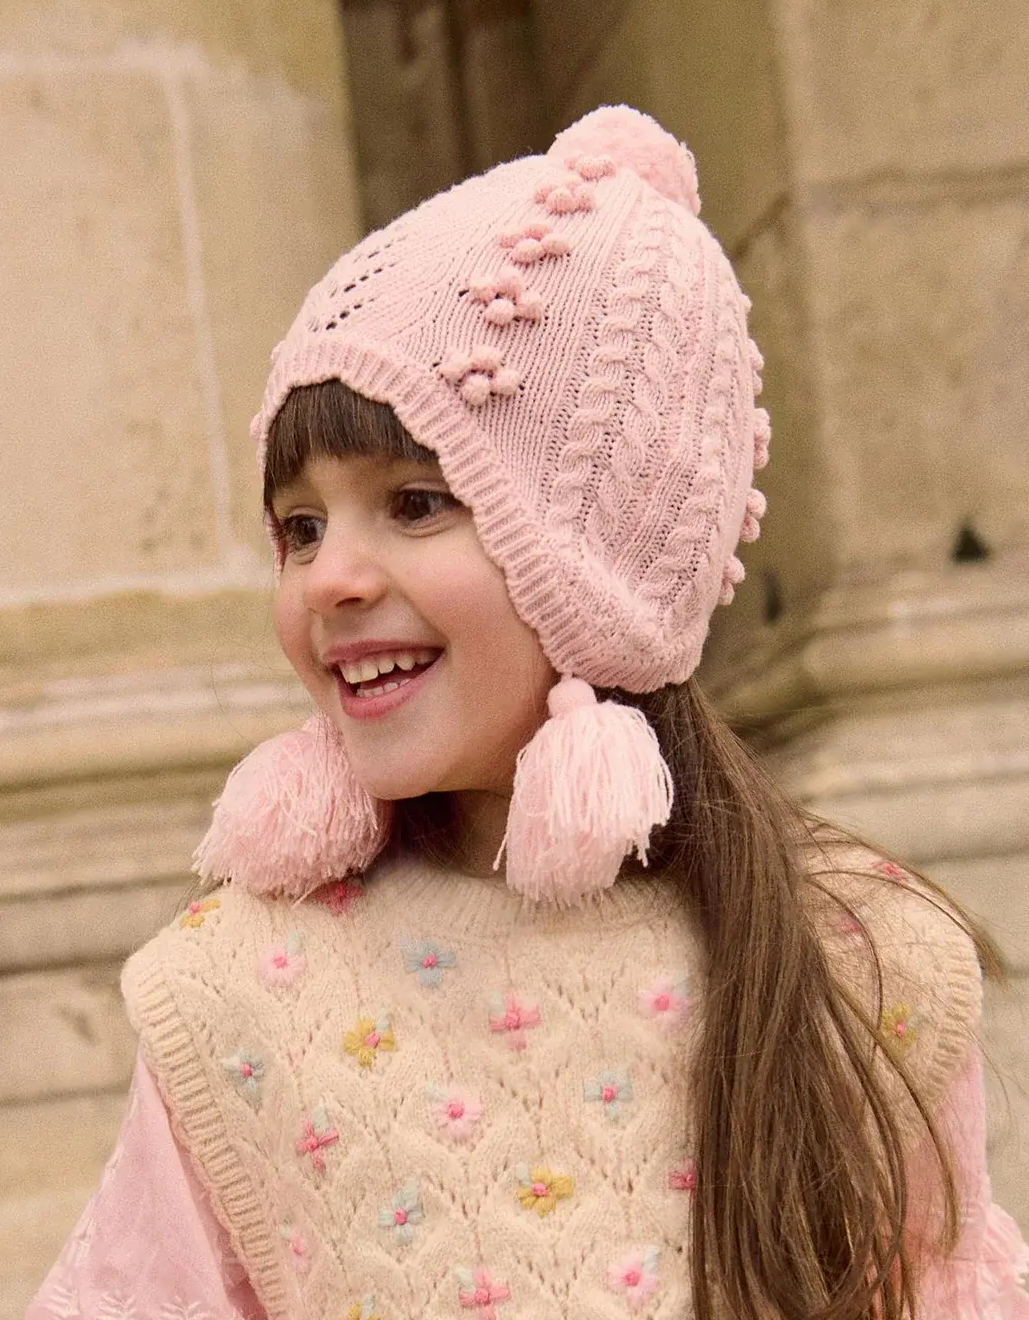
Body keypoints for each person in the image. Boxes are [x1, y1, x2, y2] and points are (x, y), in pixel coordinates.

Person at [28, 104, 1028, 1320]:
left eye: (416, 502)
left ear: (608, 561)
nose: (329, 578)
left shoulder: (857, 965)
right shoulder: (235, 996)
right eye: (300, 527)